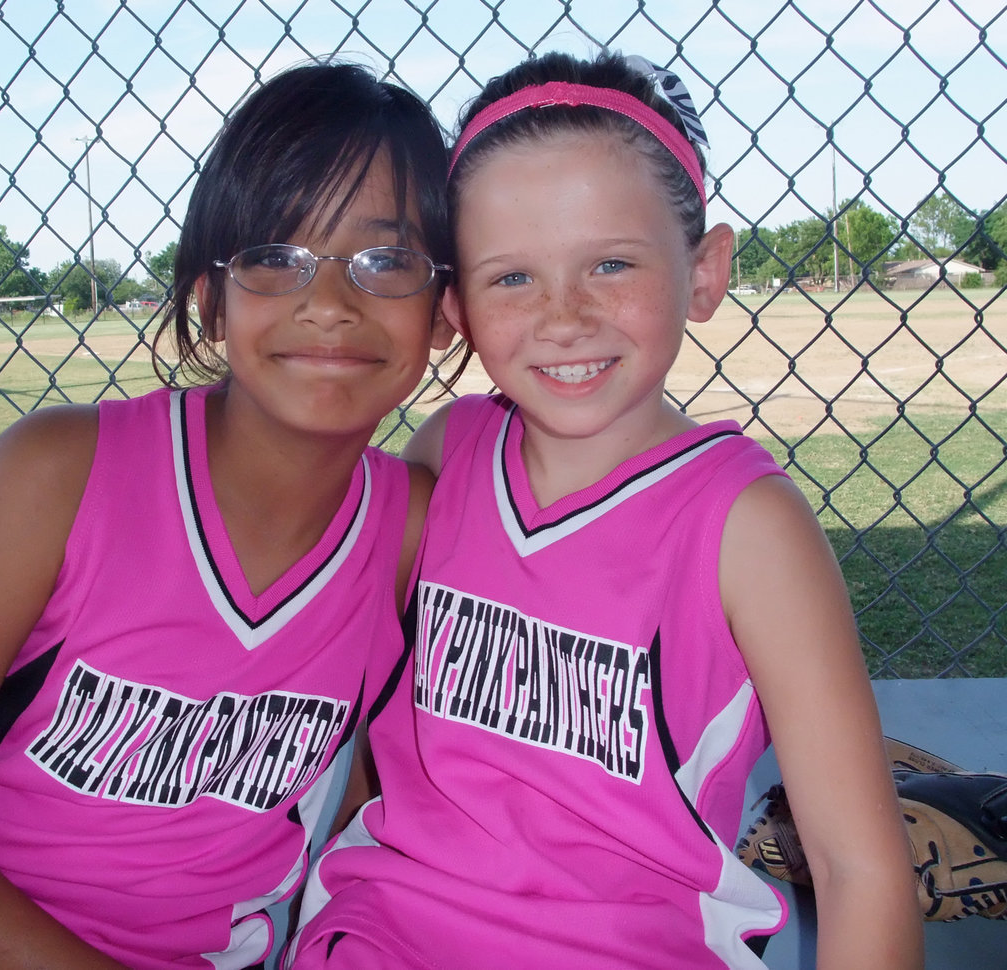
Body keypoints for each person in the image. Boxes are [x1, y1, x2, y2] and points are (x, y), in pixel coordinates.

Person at [284, 50, 924, 969]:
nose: (564, 316)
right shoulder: (446, 454)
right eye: (512, 278)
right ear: (456, 302)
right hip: (389, 933)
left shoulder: (745, 525)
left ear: (704, 273)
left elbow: (858, 866)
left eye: (611, 264)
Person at [0, 61, 453, 970]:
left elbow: (383, 801)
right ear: (208, 297)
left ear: (444, 311)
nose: (330, 303)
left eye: (386, 260)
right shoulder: (61, 474)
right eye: (275, 255)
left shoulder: (411, 532)